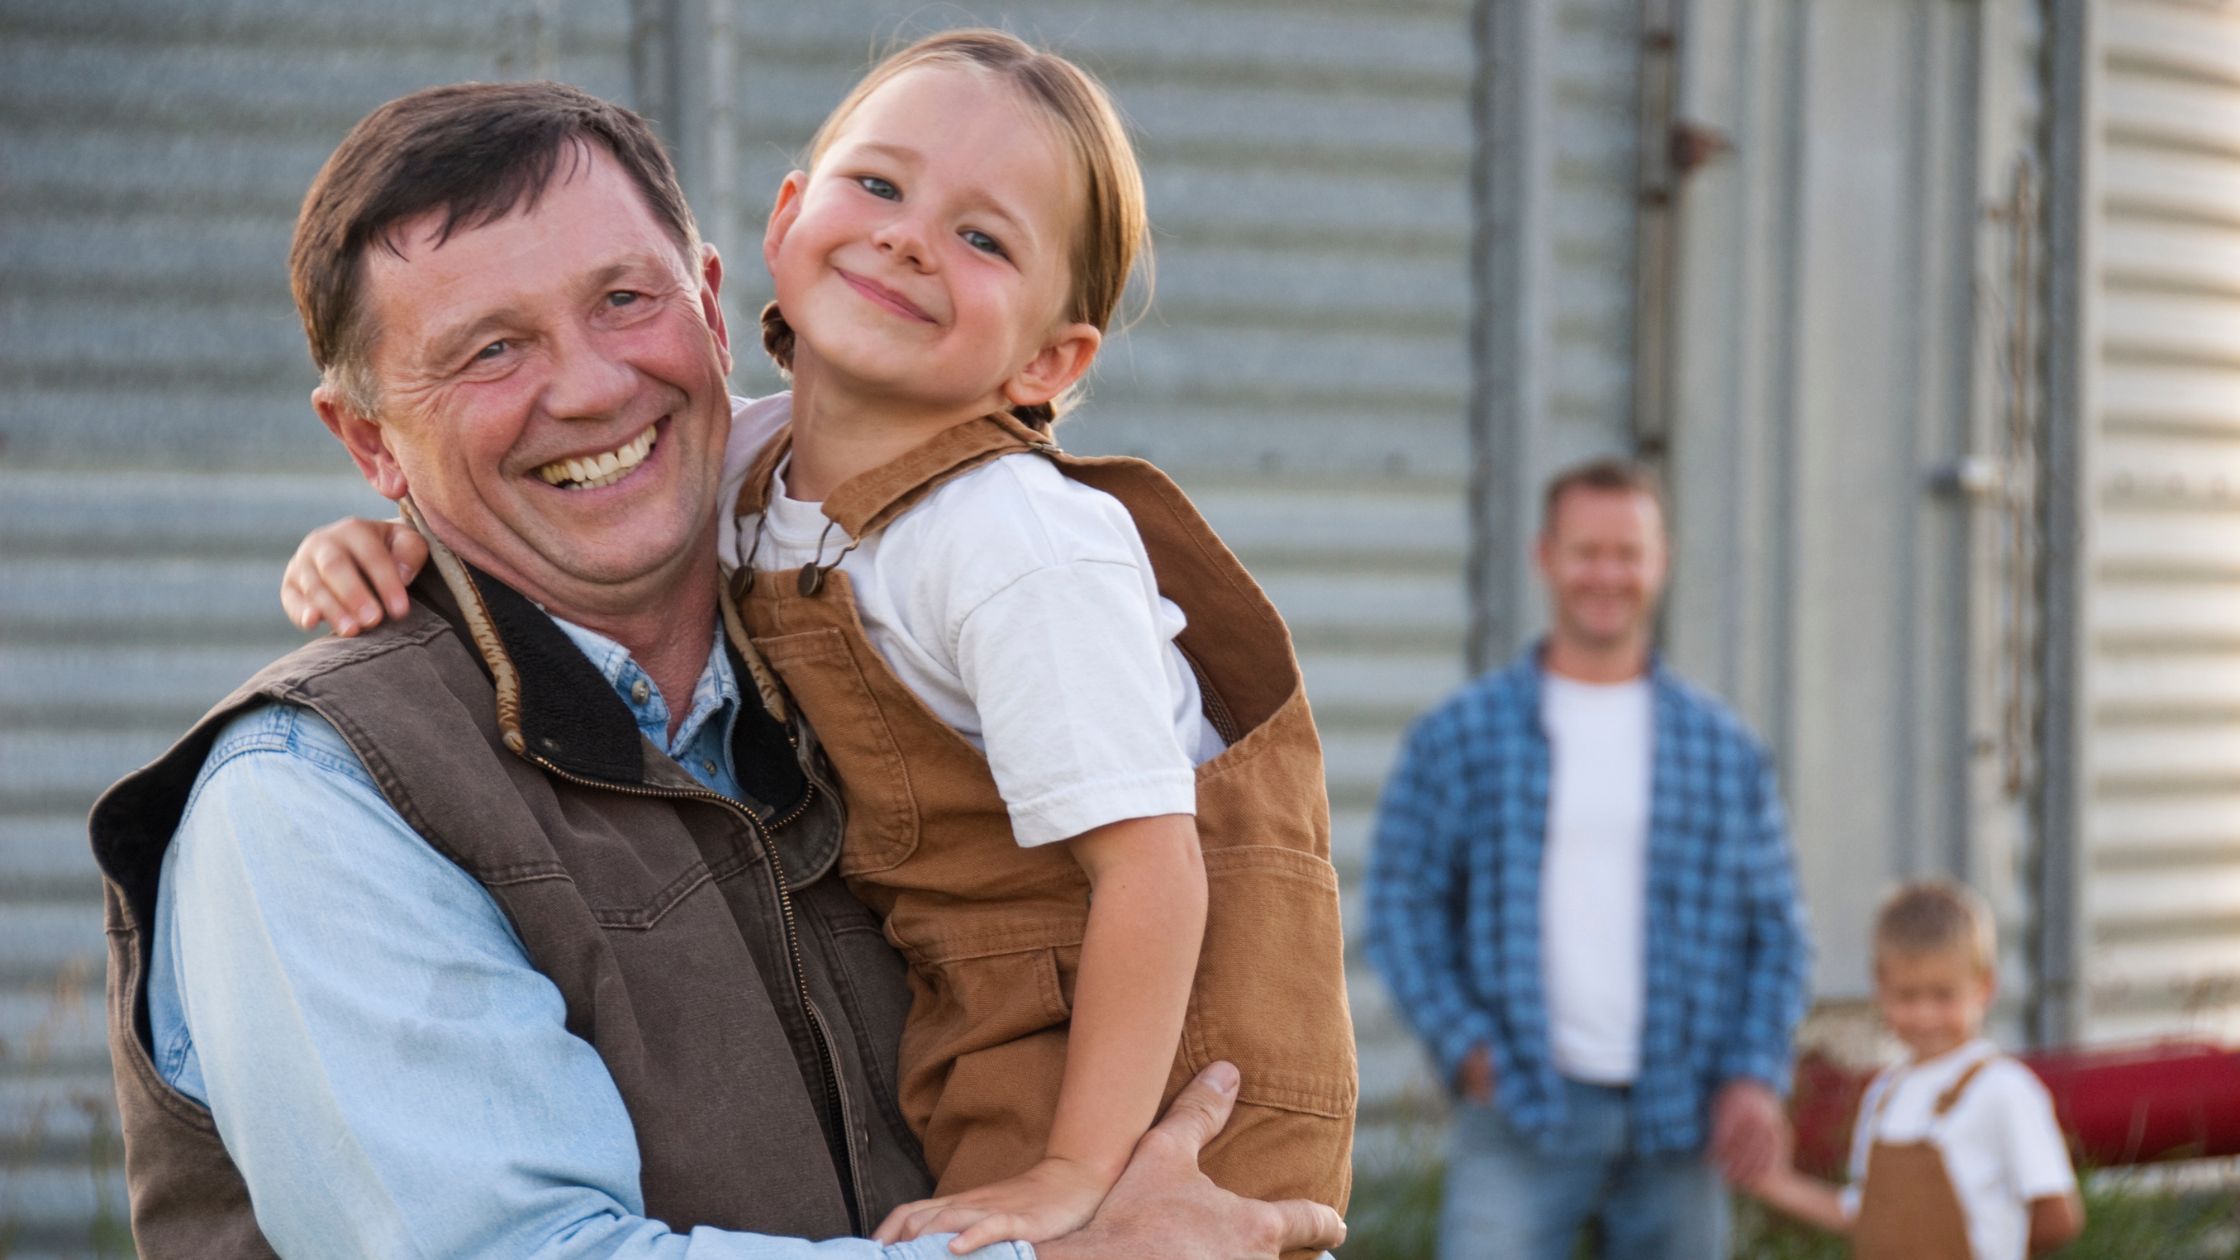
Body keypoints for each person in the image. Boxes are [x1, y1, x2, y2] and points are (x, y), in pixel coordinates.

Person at [89, 77, 1344, 1260]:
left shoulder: (867, 632)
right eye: (490, 352)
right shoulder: (310, 802)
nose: (588, 388)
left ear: (709, 299)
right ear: (369, 439)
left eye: (623, 301)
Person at [1364, 458, 1813, 1260]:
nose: (1607, 575)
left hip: (1683, 1112)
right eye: (1586, 552)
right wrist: (1465, 1044)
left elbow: (1777, 933)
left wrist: (1753, 1075)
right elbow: (1401, 906)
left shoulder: (1722, 751)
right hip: (1519, 1102)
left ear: (1661, 561)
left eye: (1627, 553)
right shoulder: (1463, 735)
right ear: (1546, 557)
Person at [1745, 882, 2085, 1259]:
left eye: (1944, 995)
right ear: (1880, 989)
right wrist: (1774, 1183)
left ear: (1984, 988)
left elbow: (2059, 1218)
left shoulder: (2004, 1089)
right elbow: (1863, 1215)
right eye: (1907, 996)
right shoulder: (1884, 1095)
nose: (1925, 1015)